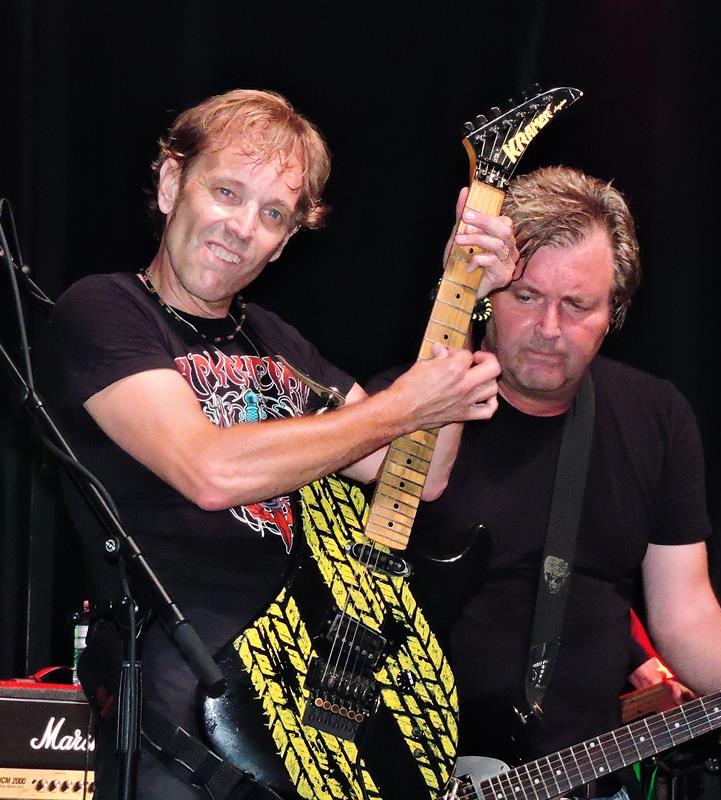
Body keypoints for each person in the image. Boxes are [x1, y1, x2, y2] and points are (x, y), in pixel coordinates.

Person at [41, 89, 517, 798]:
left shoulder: (279, 342)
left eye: (272, 215)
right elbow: (207, 470)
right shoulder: (104, 310)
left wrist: (464, 294)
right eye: (226, 192)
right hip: (185, 720)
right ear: (173, 185)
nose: (240, 228)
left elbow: (415, 474)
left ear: (287, 241)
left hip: (300, 716)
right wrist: (401, 409)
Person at [407, 166, 721, 800]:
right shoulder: (407, 408)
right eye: (525, 296)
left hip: (589, 778)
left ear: (615, 312)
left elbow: (686, 613)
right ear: (483, 293)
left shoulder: (655, 417)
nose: (549, 327)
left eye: (578, 304)